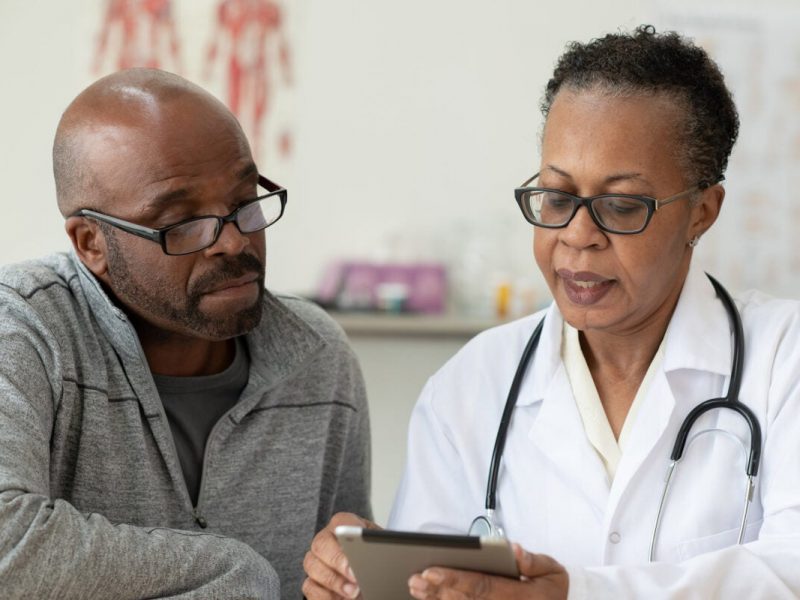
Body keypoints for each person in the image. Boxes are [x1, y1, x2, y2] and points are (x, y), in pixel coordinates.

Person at [303, 25, 800, 599]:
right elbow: (428, 587)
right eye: (558, 198)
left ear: (702, 212)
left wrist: (571, 593)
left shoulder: (782, 360)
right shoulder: (469, 388)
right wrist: (362, 580)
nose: (578, 235)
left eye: (621, 205)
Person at [0, 68, 371, 599]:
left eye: (244, 201)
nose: (233, 241)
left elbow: (343, 574)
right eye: (183, 222)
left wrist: (358, 576)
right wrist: (233, 573)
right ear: (91, 243)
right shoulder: (23, 326)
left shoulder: (317, 356)